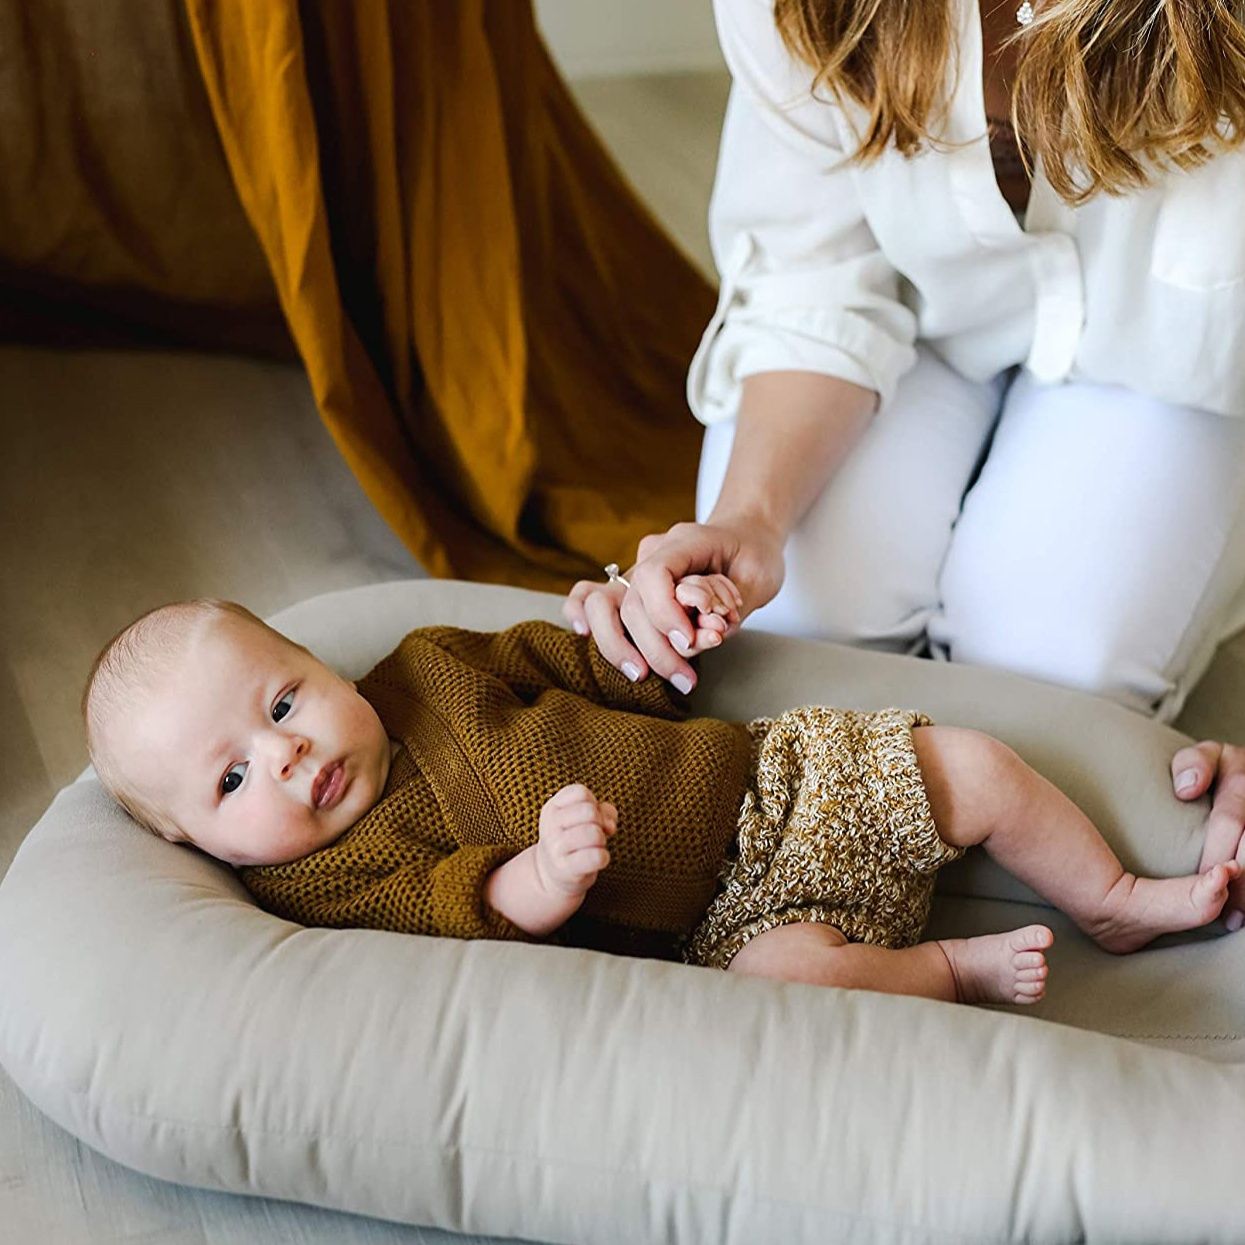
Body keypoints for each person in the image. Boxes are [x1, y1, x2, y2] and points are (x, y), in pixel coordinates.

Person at [566, 0, 1245, 925]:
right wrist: (750, 517)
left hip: (1176, 367)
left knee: (1052, 690)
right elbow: (816, 275)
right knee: (797, 642)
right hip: (922, 314)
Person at [81, 596, 1241, 1007]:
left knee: (979, 768)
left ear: (322, 662)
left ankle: (1115, 896)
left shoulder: (431, 664)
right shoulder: (315, 876)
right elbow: (444, 913)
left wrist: (651, 634)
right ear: (192, 839)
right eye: (232, 780)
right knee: (793, 981)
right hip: (717, 930)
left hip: (777, 780)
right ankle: (952, 973)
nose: (284, 758)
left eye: (284, 702)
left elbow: (576, 661)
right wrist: (538, 876)